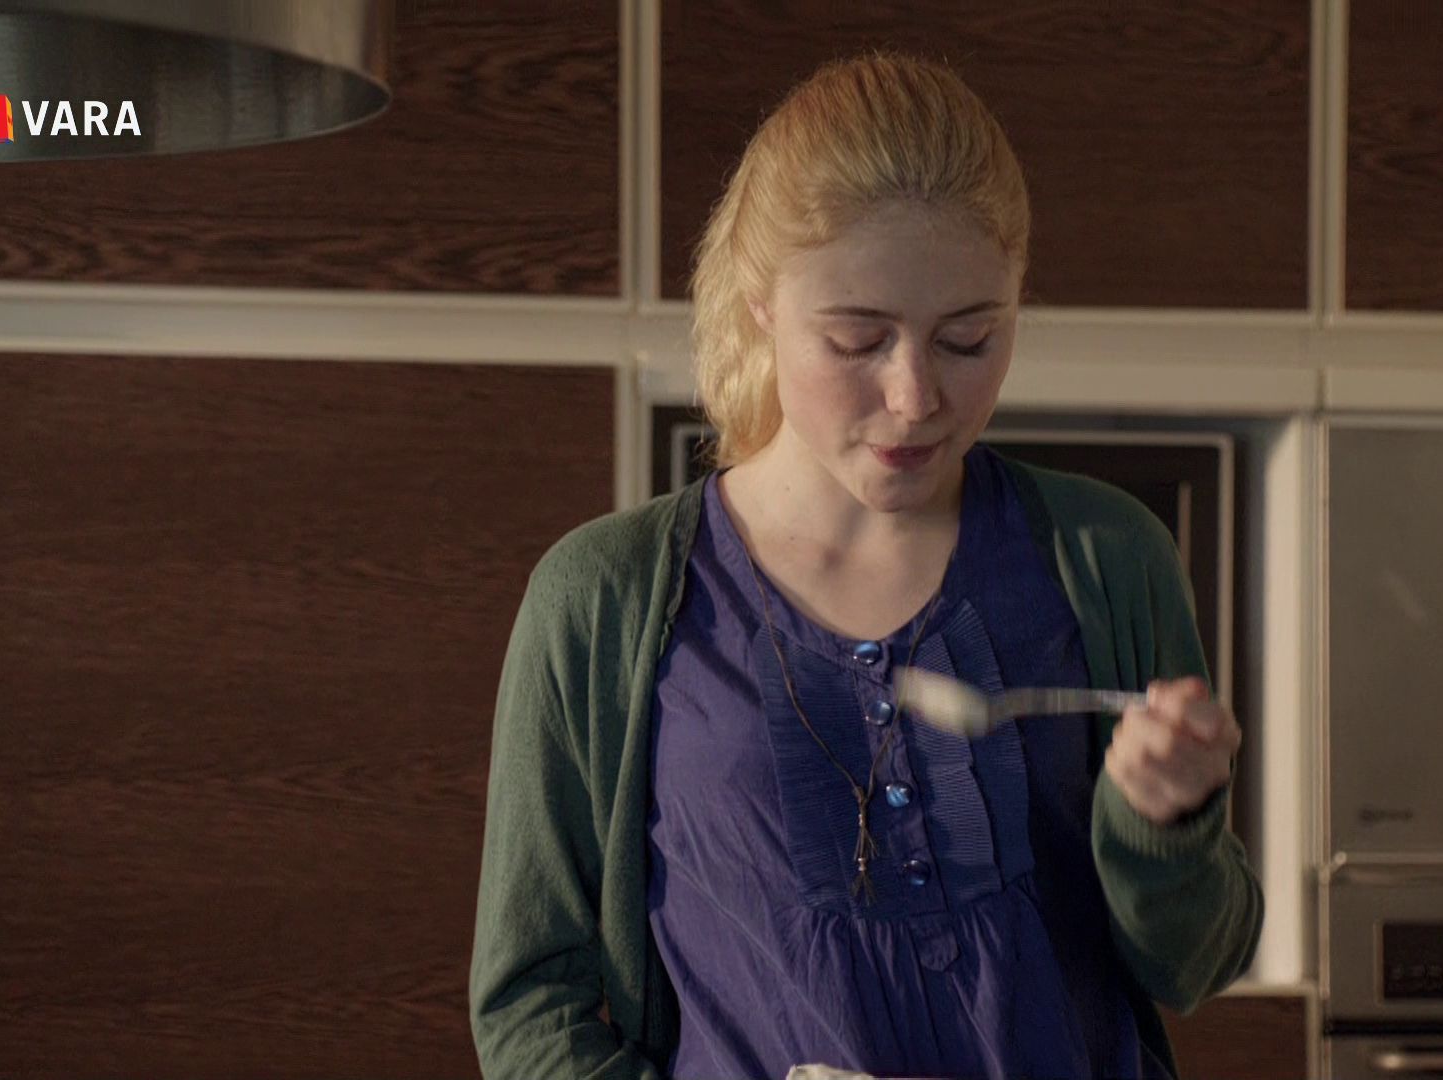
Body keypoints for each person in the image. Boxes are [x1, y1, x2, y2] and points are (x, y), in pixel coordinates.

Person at [470, 52, 1262, 1080]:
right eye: (856, 340)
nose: (914, 398)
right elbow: (532, 1005)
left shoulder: (1109, 559)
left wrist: (1168, 823)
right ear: (761, 304)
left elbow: (1195, 964)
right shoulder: (600, 600)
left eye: (969, 339)